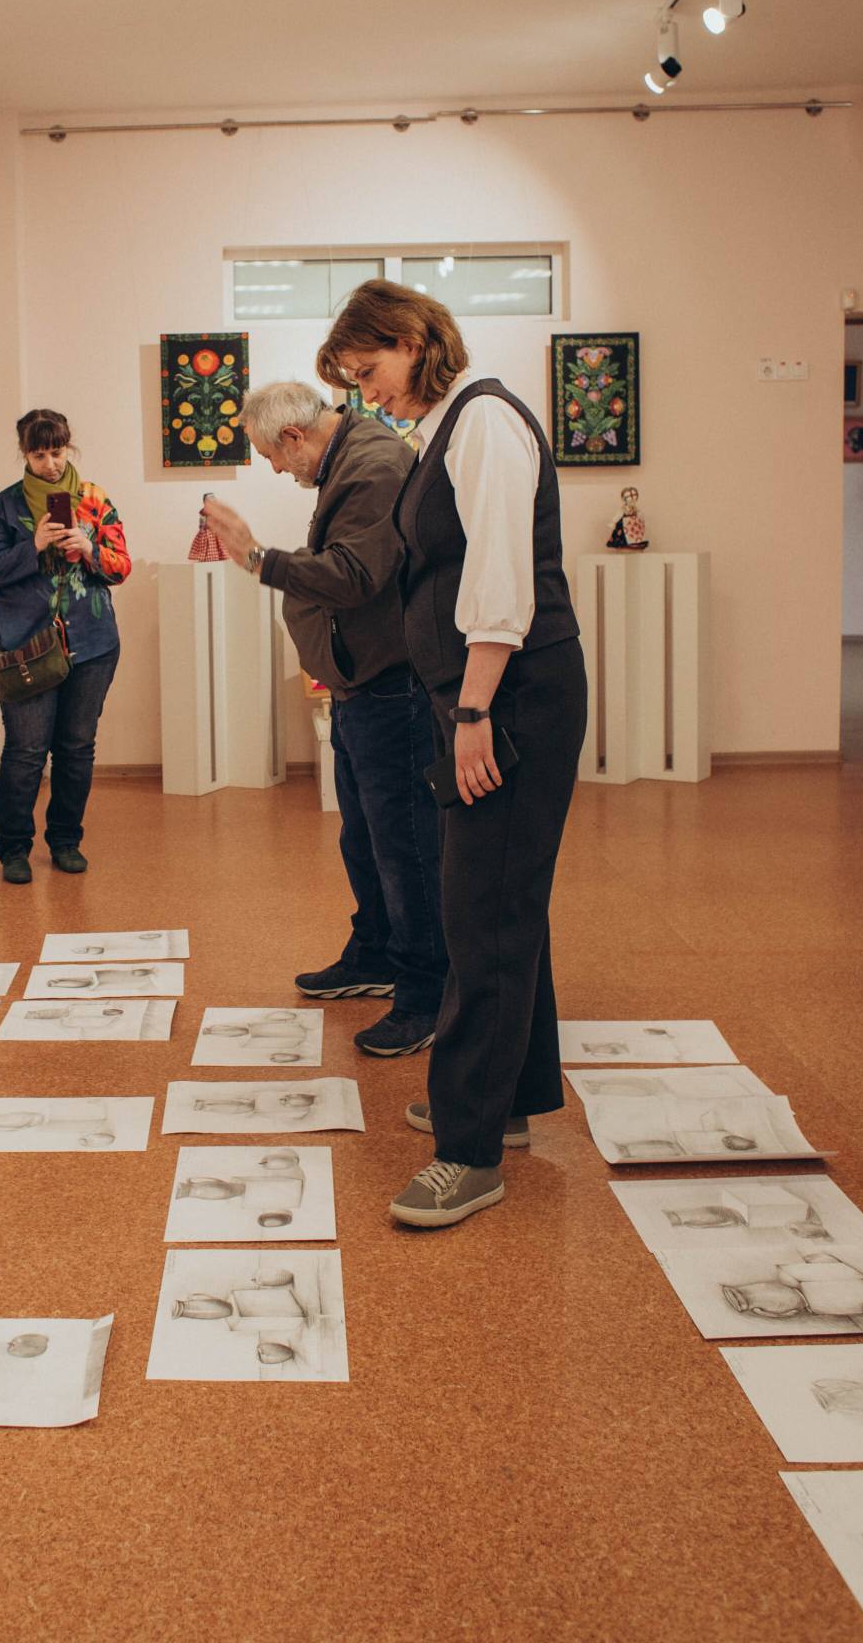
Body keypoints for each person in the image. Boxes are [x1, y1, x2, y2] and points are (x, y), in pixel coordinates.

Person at [317, 278, 587, 1231]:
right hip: (470, 697)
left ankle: (469, 1153)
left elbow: (501, 585)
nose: (366, 394)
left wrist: (473, 711)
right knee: (501, 901)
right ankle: (506, 1099)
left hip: (508, 698)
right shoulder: (443, 432)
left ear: (413, 340)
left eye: (370, 371)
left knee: (484, 911)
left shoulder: (484, 424)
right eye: (353, 382)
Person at [203, 381, 450, 1055]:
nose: (277, 470)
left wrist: (257, 557)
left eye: (271, 457)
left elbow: (353, 576)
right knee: (364, 837)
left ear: (293, 437)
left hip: (389, 688)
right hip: (360, 684)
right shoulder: (350, 458)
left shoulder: (372, 465)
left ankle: (427, 994)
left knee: (404, 846)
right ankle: (375, 954)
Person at [0, 409, 130, 882]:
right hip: (27, 645)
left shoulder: (95, 499)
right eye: (39, 454)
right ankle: (13, 849)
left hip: (92, 643)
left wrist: (89, 549)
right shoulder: (6, 506)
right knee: (25, 750)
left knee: (76, 747)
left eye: (57, 452)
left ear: (68, 448)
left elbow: (121, 567)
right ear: (24, 454)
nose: (49, 464)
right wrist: (34, 545)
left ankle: (65, 841)